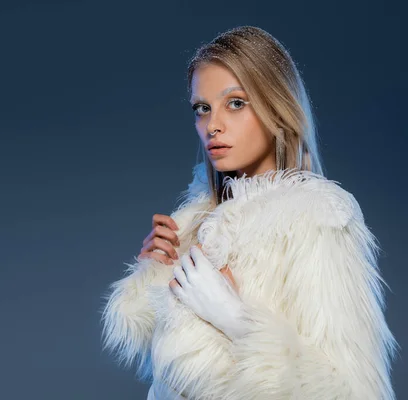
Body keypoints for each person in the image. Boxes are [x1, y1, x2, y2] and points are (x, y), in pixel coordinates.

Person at [100, 26, 399, 400]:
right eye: (202, 109)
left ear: (276, 105)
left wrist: (235, 318)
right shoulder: (198, 219)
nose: (213, 125)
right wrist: (153, 273)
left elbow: (351, 390)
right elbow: (176, 372)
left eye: (236, 103)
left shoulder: (318, 216)